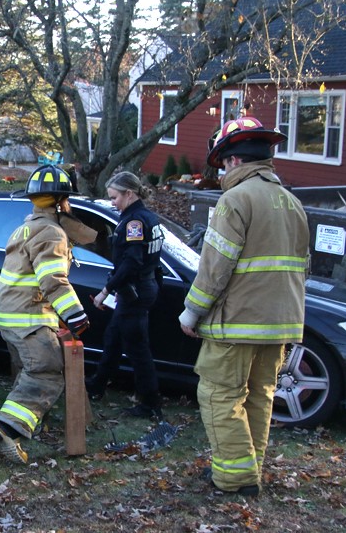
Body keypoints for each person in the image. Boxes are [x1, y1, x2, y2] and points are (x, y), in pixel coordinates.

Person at [178, 116, 309, 497]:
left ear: (233, 161)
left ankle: (235, 479)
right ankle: (249, 471)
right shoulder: (292, 202)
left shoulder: (235, 200)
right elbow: (304, 266)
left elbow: (215, 268)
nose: (220, 174)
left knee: (219, 396)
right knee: (258, 396)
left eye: (221, 166)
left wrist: (192, 313)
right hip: (279, 324)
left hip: (237, 323)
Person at [0, 165, 97, 464]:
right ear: (63, 200)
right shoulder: (50, 232)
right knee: (47, 372)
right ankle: (8, 427)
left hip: (10, 317)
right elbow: (53, 279)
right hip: (29, 318)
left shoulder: (26, 226)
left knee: (28, 370)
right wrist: (75, 315)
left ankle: (28, 421)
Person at [86, 170, 165, 421]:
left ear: (129, 194)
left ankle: (150, 403)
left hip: (134, 292)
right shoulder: (147, 218)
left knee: (137, 350)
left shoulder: (134, 222)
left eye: (115, 197)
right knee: (113, 338)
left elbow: (131, 263)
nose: (112, 203)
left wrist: (105, 291)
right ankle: (97, 386)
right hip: (140, 289)